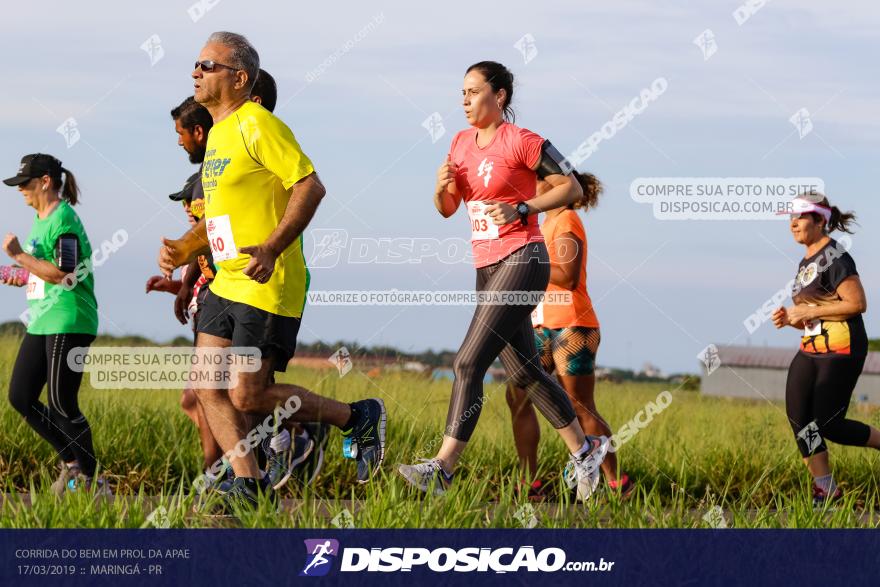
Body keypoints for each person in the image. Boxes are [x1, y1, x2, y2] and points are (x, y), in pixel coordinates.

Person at [157, 32, 385, 512]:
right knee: (207, 387)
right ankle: (250, 482)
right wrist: (184, 249)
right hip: (225, 281)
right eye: (196, 64)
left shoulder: (259, 125)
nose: (196, 72)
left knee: (247, 393)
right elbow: (217, 218)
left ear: (239, 78)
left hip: (266, 281)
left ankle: (356, 417)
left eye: (208, 65)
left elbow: (310, 186)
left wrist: (272, 247)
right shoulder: (217, 134)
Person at [397, 61, 608, 501]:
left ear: (500, 97)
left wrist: (524, 208)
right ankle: (583, 451)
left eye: (473, 92)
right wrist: (440, 188)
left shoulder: (523, 140)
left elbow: (570, 187)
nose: (465, 101)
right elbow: (448, 208)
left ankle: (444, 467)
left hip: (524, 258)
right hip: (486, 266)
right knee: (526, 373)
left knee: (467, 363)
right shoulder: (459, 143)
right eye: (462, 93)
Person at [506, 171, 633, 500]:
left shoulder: (567, 220)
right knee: (518, 397)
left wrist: (526, 261)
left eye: (535, 179)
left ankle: (619, 484)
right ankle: (529, 484)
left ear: (556, 186)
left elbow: (568, 276)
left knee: (580, 408)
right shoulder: (544, 224)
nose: (528, 184)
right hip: (539, 324)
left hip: (572, 325)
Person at [2, 154, 108, 496]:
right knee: (20, 396)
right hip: (44, 320)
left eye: (25, 184)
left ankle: (92, 481)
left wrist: (20, 256)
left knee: (62, 404)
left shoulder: (63, 219)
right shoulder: (39, 219)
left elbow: (65, 277)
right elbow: (42, 271)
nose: (20, 191)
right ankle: (72, 465)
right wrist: (16, 273)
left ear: (46, 181)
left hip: (69, 318)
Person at [772, 194, 880, 508]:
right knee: (799, 418)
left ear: (821, 220)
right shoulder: (806, 260)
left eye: (801, 217)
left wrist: (806, 312)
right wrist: (791, 319)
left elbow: (857, 304)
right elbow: (815, 316)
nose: (793, 223)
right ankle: (826, 490)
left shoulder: (835, 255)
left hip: (842, 349)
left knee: (829, 423)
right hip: (812, 348)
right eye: (790, 217)